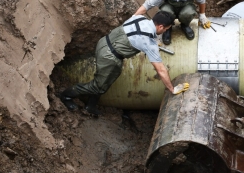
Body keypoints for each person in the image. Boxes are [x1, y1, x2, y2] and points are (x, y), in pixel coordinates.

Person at [59, 11, 189, 116]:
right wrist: (172, 89)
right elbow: (160, 70)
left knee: (106, 80)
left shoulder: (140, 18)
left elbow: (143, 10)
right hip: (110, 58)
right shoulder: (148, 43)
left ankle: (90, 106)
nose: (165, 32)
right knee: (97, 86)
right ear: (160, 26)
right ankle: (66, 95)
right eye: (166, 29)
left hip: (104, 43)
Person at [135, 0, 212, 45]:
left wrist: (202, 15)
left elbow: (202, 1)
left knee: (189, 12)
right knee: (165, 11)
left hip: (185, 7)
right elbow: (148, 5)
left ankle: (184, 25)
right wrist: (134, 17)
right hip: (169, 7)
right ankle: (167, 28)